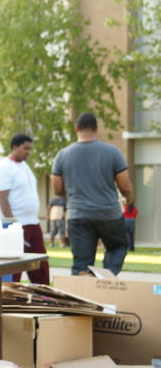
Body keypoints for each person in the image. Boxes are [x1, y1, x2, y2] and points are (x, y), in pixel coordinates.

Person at [51, 112, 134, 275]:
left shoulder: (62, 155)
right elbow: (125, 186)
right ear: (96, 128)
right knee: (117, 247)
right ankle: (106, 279)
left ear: (76, 129)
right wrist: (129, 199)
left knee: (82, 262)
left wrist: (73, 195)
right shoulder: (113, 152)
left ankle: (83, 293)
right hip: (108, 214)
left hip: (78, 215)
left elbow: (57, 189)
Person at [0, 134, 49, 284]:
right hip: (13, 224)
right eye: (25, 148)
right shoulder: (3, 167)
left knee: (40, 262)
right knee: (14, 265)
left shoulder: (23, 166)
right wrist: (13, 225)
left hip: (32, 222)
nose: (28, 152)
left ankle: (44, 296)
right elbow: (2, 198)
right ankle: (8, 297)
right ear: (15, 147)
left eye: (30, 148)